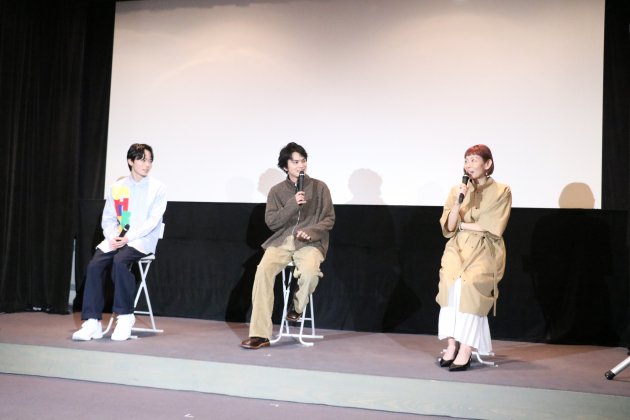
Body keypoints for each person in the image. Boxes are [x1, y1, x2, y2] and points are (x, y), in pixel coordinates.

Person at [241, 142, 335, 349]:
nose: (301, 165)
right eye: (295, 162)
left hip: (310, 242)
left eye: (303, 160)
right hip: (282, 241)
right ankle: (260, 335)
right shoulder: (276, 191)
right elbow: (272, 222)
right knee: (262, 272)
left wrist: (311, 231)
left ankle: (297, 306)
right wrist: (293, 203)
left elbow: (329, 219)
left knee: (310, 273)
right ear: (285, 166)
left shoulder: (320, 187)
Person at [73, 144, 167, 341]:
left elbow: (153, 222)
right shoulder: (117, 188)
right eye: (142, 159)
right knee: (94, 266)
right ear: (130, 161)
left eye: (150, 160)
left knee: (120, 261)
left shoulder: (158, 188)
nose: (147, 164)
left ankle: (125, 316)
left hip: (141, 240)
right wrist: (111, 237)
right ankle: (92, 322)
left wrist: (129, 238)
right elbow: (108, 218)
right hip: (117, 238)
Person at [436, 144, 511, 371]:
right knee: (450, 287)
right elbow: (449, 226)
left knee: (469, 288)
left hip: (485, 248)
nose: (468, 165)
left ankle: (466, 349)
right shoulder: (457, 190)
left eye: (474, 160)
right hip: (457, 247)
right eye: (466, 160)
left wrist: (462, 225)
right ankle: (451, 346)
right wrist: (458, 202)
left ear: (487, 164)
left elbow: (490, 226)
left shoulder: (502, 191)